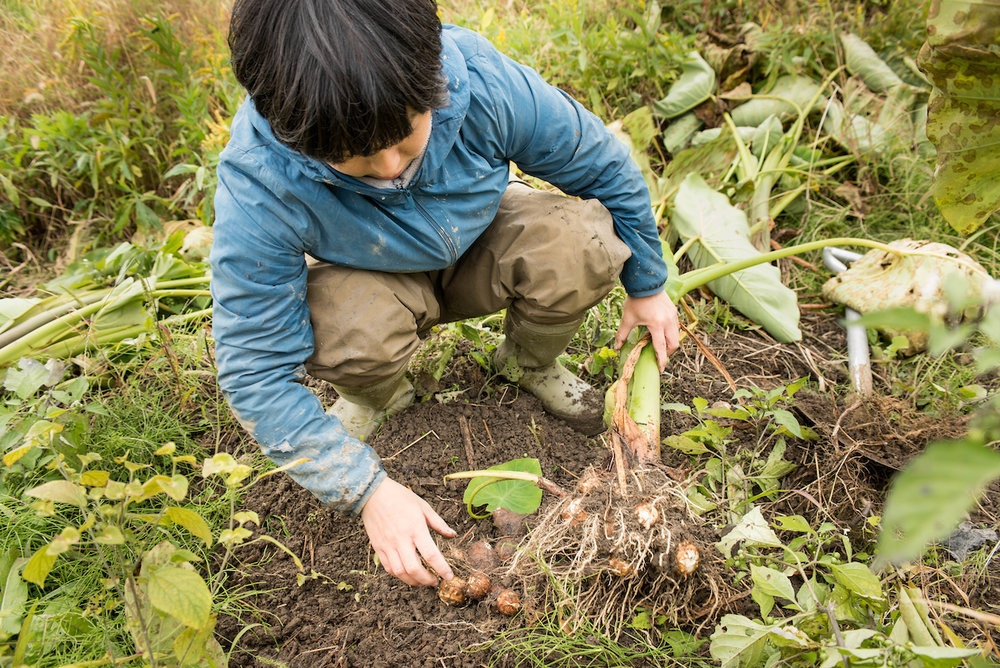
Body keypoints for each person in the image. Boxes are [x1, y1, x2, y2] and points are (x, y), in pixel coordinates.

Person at [210, 0, 680, 588]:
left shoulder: (479, 83)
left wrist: (648, 286)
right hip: (373, 277)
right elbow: (254, 368)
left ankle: (527, 363)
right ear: (293, 134)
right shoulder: (260, 178)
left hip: (481, 241)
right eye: (355, 158)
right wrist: (368, 493)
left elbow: (602, 166)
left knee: (582, 241)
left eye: (405, 137)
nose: (387, 167)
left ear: (431, 78)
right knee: (344, 327)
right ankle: (378, 392)